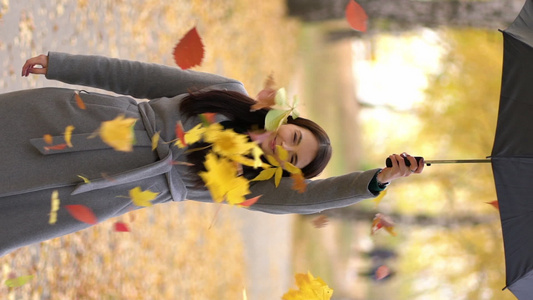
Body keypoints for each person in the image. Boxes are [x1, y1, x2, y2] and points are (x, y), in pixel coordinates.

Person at [0, 52, 424, 256]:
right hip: (82, 122)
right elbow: (138, 76)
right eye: (295, 137)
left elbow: (309, 198)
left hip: (94, 190)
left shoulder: (246, 183)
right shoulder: (230, 93)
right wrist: (62, 64)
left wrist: (379, 179)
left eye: (294, 160)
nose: (285, 147)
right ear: (290, 120)